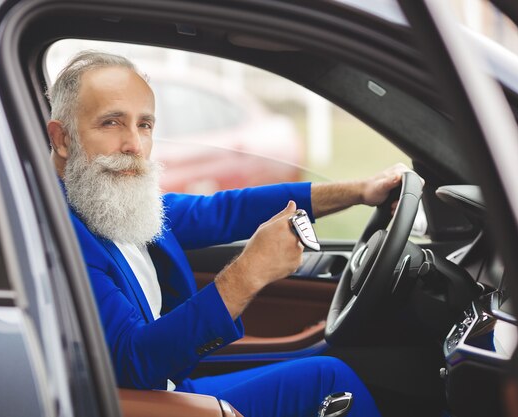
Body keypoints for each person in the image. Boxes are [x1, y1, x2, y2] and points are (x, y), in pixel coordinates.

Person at [47, 51, 406, 417]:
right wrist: (249, 272)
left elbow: (226, 209)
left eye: (145, 125)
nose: (134, 146)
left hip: (171, 388)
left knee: (330, 374)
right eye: (111, 123)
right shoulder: (60, 233)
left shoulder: (110, 203)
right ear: (62, 138)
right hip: (145, 404)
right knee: (332, 382)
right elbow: (133, 363)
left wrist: (360, 191)